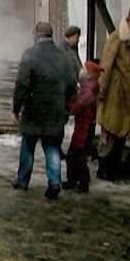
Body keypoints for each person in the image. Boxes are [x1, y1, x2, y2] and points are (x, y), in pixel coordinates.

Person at [12, 22, 77, 199]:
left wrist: (16, 108)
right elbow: (72, 83)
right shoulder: (63, 57)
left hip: (33, 110)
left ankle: (23, 180)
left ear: (36, 36)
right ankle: (54, 182)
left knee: (28, 146)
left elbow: (22, 85)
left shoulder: (29, 55)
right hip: (55, 110)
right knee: (52, 147)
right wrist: (68, 106)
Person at [97, 11, 130, 182]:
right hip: (115, 96)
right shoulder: (118, 37)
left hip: (126, 97)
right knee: (110, 134)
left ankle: (114, 169)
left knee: (121, 135)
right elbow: (106, 65)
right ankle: (105, 169)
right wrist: (101, 92)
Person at [64, 61, 102, 193]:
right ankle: (74, 180)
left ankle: (81, 182)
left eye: (84, 69)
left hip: (84, 128)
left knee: (78, 155)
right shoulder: (88, 88)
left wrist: (68, 104)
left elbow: (77, 107)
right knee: (74, 154)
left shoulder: (88, 91)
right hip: (82, 127)